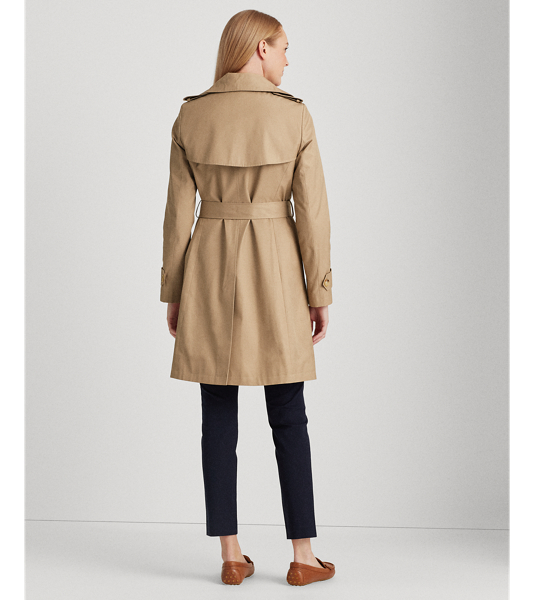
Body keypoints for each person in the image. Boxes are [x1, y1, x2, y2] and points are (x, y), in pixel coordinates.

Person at [160, 9, 335, 586]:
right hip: (278, 267)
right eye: (283, 47)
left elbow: (177, 214)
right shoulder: (294, 115)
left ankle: (231, 555)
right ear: (260, 48)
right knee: (288, 412)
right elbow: (312, 214)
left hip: (208, 266)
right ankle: (303, 556)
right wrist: (318, 290)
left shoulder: (192, 114)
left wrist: (174, 290)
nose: (287, 59)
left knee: (217, 412)